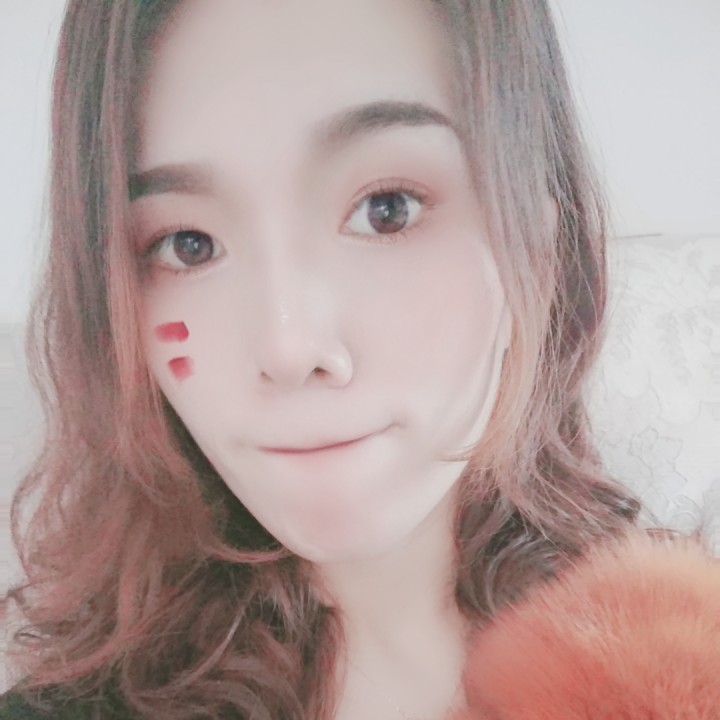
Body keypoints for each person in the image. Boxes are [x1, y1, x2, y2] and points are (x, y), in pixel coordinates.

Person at [0, 0, 659, 718]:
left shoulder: (680, 647)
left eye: (388, 209)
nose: (289, 349)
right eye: (188, 245)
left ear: (536, 243)